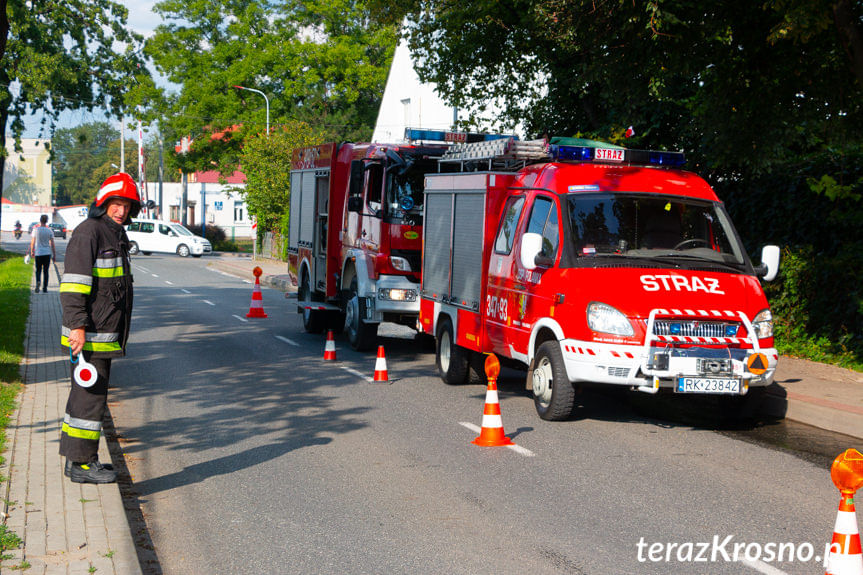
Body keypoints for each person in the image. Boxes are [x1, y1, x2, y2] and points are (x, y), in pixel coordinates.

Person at [59, 173, 140, 484]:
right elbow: (73, 286)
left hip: (101, 333)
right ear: (103, 203)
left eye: (126, 205)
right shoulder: (89, 232)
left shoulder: (113, 233)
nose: (121, 210)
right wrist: (76, 327)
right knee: (88, 399)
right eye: (115, 204)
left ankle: (79, 459)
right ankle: (81, 465)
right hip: (88, 334)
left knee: (87, 398)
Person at [29, 214, 56, 292]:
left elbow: (33, 242)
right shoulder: (49, 230)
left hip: (38, 253)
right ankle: (45, 288)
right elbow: (52, 244)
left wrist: (32, 251)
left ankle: (38, 282)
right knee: (46, 271)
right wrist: (54, 255)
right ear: (46, 221)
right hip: (47, 253)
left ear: (40, 220)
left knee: (38, 270)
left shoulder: (36, 230)